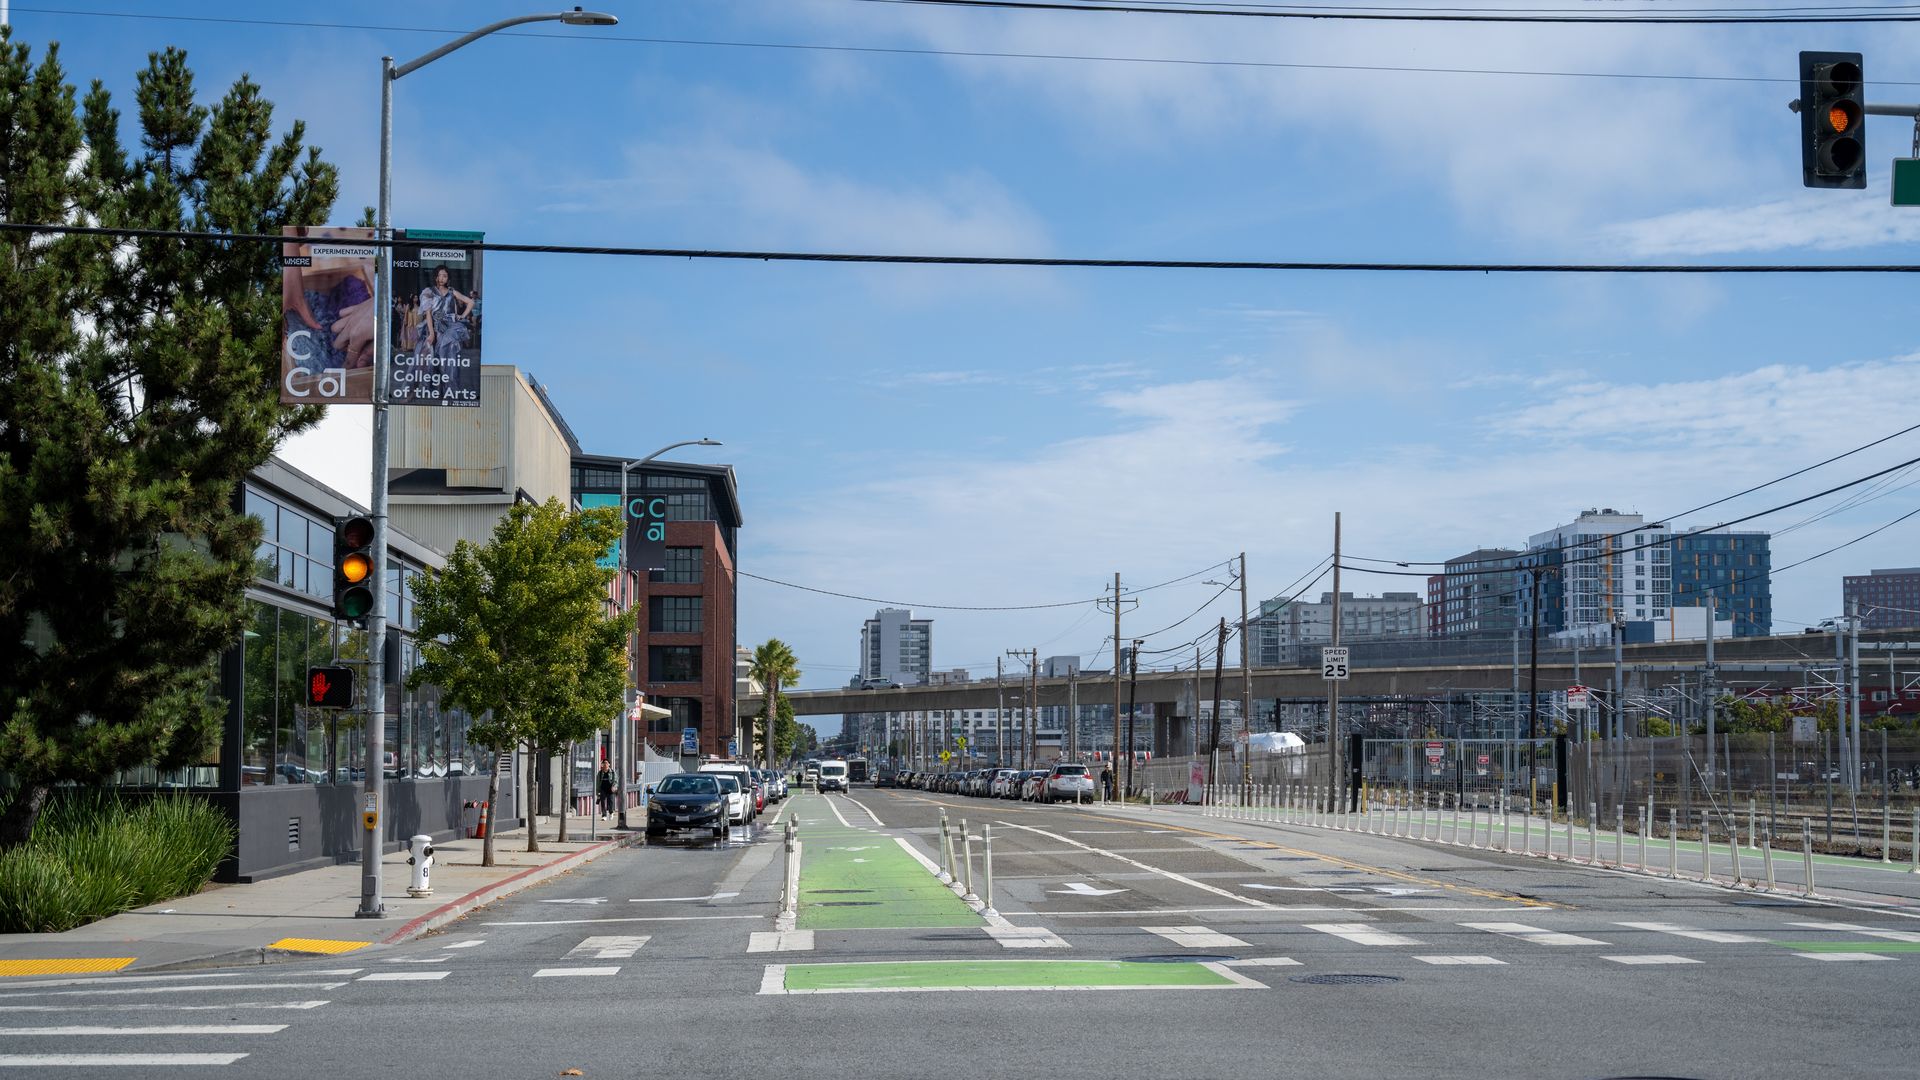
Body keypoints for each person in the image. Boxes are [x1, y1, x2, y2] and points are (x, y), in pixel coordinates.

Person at [414, 265, 475, 361]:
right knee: (431, 356)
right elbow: (428, 313)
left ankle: (448, 375)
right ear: (436, 277)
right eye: (439, 275)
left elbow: (471, 302)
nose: (442, 278)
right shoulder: (429, 291)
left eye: (445, 276)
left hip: (450, 327)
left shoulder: (452, 291)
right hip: (434, 326)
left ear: (448, 278)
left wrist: (462, 316)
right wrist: (431, 333)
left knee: (449, 355)